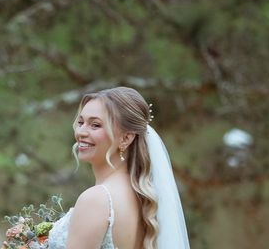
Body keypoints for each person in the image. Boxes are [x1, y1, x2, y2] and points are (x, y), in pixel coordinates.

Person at [48, 87, 189, 249]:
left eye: (95, 125)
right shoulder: (142, 197)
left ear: (126, 138)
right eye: (81, 122)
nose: (81, 132)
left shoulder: (96, 200)